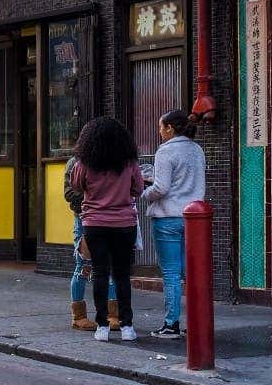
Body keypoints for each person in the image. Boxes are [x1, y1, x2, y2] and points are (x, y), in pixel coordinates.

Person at [69, 118, 144, 341]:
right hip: (124, 224)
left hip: (95, 224)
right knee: (122, 275)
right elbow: (138, 189)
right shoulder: (129, 163)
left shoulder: (85, 163)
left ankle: (102, 326)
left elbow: (75, 186)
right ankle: (127, 326)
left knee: (100, 273)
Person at [142, 109, 206, 339]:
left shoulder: (166, 151)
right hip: (194, 218)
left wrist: (145, 192)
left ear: (170, 128)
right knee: (192, 272)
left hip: (168, 217)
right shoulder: (197, 150)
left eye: (161, 127)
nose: (159, 132)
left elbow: (161, 188)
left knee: (170, 273)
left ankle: (171, 324)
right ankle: (197, 322)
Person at [65, 153, 118, 331]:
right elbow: (69, 193)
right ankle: (78, 317)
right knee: (83, 267)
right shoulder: (76, 162)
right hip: (84, 219)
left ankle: (112, 315)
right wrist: (96, 195)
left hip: (108, 219)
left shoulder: (110, 161)